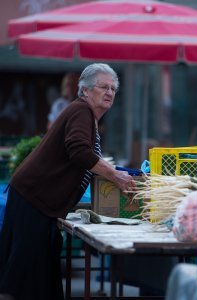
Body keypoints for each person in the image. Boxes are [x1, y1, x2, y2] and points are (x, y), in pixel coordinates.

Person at [0, 63, 136, 300]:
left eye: (113, 88)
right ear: (85, 90)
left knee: (41, 276)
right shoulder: (81, 111)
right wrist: (115, 175)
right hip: (33, 199)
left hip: (40, 202)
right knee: (28, 278)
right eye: (103, 86)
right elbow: (79, 152)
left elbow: (83, 160)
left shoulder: (88, 117)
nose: (109, 92)